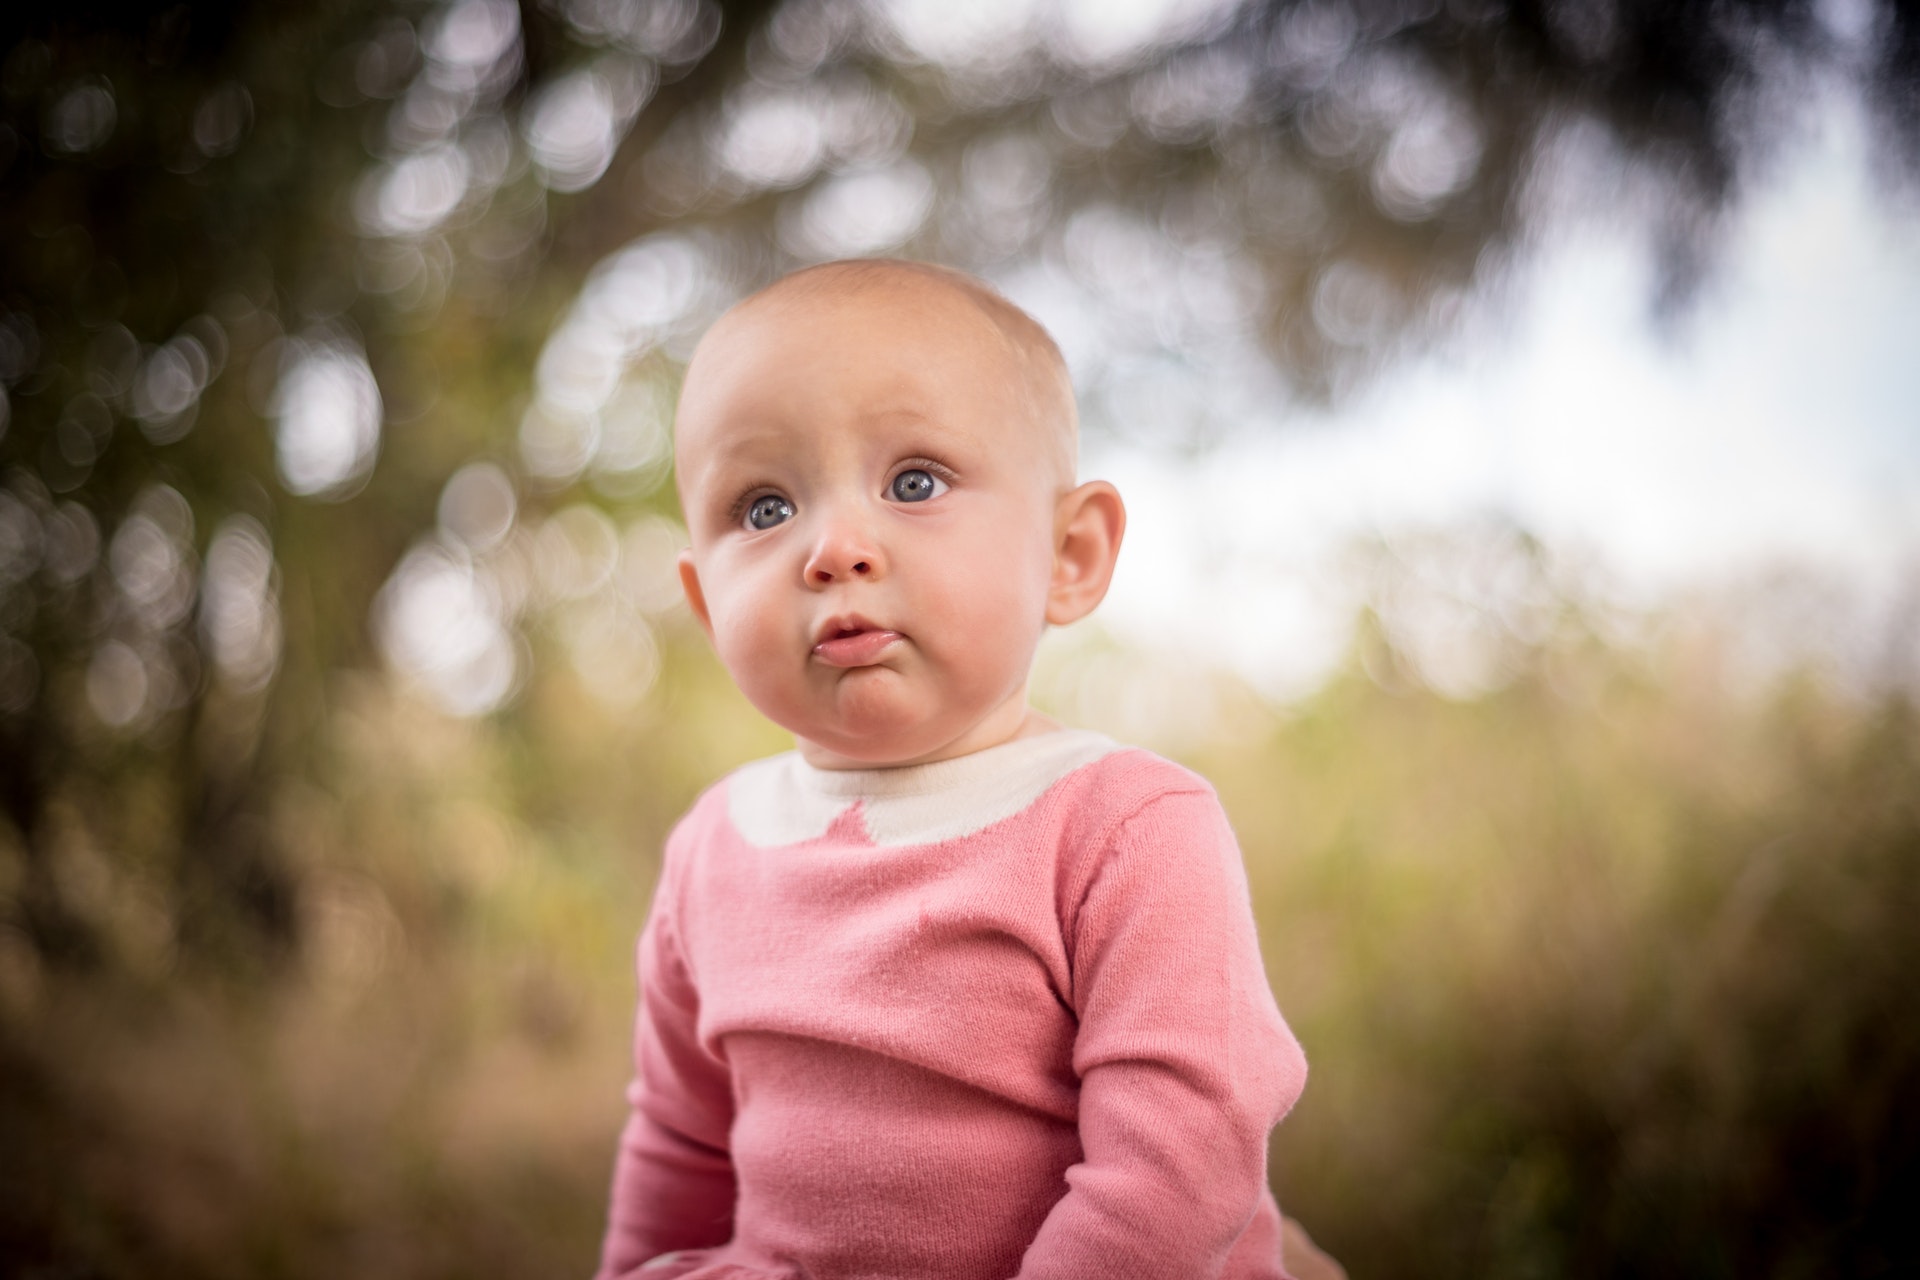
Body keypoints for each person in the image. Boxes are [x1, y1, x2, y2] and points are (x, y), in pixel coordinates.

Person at [595, 259, 1339, 1280]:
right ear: (703, 599)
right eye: (764, 507)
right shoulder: (711, 849)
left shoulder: (1123, 825)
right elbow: (682, 1146)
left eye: (915, 483)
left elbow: (1181, 1157)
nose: (834, 547)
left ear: (1069, 552)